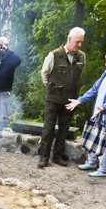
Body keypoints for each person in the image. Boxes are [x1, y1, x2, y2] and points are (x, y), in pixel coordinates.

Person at [66, 49, 106, 178]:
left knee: (104, 143)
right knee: (93, 136)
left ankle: (103, 169)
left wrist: (104, 107)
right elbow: (95, 89)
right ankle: (91, 162)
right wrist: (80, 100)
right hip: (98, 112)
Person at [37, 27, 86, 168]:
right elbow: (44, 74)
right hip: (53, 99)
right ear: (69, 39)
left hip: (70, 101)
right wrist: (53, 88)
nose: (80, 45)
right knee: (48, 129)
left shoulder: (82, 56)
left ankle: (57, 156)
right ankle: (44, 157)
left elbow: (79, 76)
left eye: (82, 42)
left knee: (64, 129)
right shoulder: (54, 55)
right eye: (78, 41)